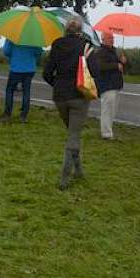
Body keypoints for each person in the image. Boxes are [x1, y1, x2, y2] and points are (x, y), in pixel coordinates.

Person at [43, 18, 89, 191]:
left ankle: (79, 170)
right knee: (73, 136)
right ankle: (64, 176)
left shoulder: (57, 45)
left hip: (60, 96)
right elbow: (93, 71)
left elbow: (47, 73)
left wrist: (58, 84)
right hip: (78, 95)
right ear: (79, 31)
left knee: (73, 132)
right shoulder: (85, 46)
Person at [0, 40, 43, 123]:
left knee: (10, 90)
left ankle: (7, 113)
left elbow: (6, 51)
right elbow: (39, 52)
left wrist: (14, 55)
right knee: (26, 91)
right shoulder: (34, 37)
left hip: (16, 67)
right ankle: (23, 115)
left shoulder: (12, 35)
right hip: (29, 68)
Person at [93, 31, 126, 140]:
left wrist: (123, 61)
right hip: (106, 85)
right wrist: (116, 65)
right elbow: (100, 66)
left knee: (113, 110)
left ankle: (108, 130)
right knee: (107, 109)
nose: (112, 40)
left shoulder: (115, 52)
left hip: (115, 84)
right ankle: (106, 133)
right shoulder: (100, 52)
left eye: (112, 38)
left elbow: (122, 66)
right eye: (110, 38)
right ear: (103, 39)